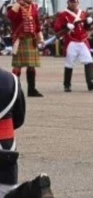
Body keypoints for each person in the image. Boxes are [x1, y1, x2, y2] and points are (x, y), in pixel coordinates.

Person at [0, 67, 54, 197]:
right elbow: (19, 119)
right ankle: (32, 190)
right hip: (6, 146)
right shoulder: (11, 79)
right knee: (5, 190)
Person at [52, 0, 93, 93]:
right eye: (72, 2)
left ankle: (90, 82)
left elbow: (86, 28)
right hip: (71, 41)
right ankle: (67, 85)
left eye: (75, 2)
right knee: (69, 63)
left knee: (89, 61)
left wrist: (89, 22)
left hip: (82, 40)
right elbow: (57, 28)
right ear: (68, 2)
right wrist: (66, 25)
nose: (74, 4)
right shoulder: (63, 15)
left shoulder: (82, 13)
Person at [6, 0, 44, 97]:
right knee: (17, 65)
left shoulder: (34, 7)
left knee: (31, 65)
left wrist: (40, 36)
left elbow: (37, 24)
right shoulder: (15, 7)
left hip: (31, 39)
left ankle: (31, 90)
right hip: (20, 39)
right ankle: (14, 90)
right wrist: (18, 3)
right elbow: (10, 16)